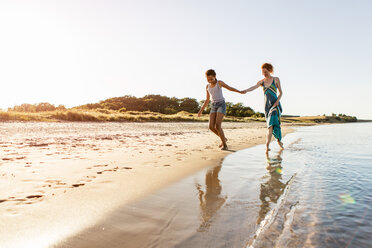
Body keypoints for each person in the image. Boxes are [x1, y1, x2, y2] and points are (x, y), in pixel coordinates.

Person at [198, 69, 244, 150]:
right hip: (213, 106)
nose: (210, 81)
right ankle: (223, 139)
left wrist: (239, 91)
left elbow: (230, 88)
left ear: (215, 76)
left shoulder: (219, 83)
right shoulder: (207, 86)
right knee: (211, 127)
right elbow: (207, 99)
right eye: (208, 79)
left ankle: (225, 145)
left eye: (211, 79)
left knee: (218, 125)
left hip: (221, 105)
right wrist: (201, 110)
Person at [243, 63, 284, 153]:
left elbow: (281, 93)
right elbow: (253, 87)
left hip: (275, 105)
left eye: (265, 72)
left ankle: (270, 144)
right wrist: (245, 91)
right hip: (267, 106)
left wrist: (277, 102)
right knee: (270, 125)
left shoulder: (276, 79)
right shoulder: (261, 82)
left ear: (269, 70)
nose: (264, 74)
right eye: (263, 72)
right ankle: (274, 143)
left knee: (274, 125)